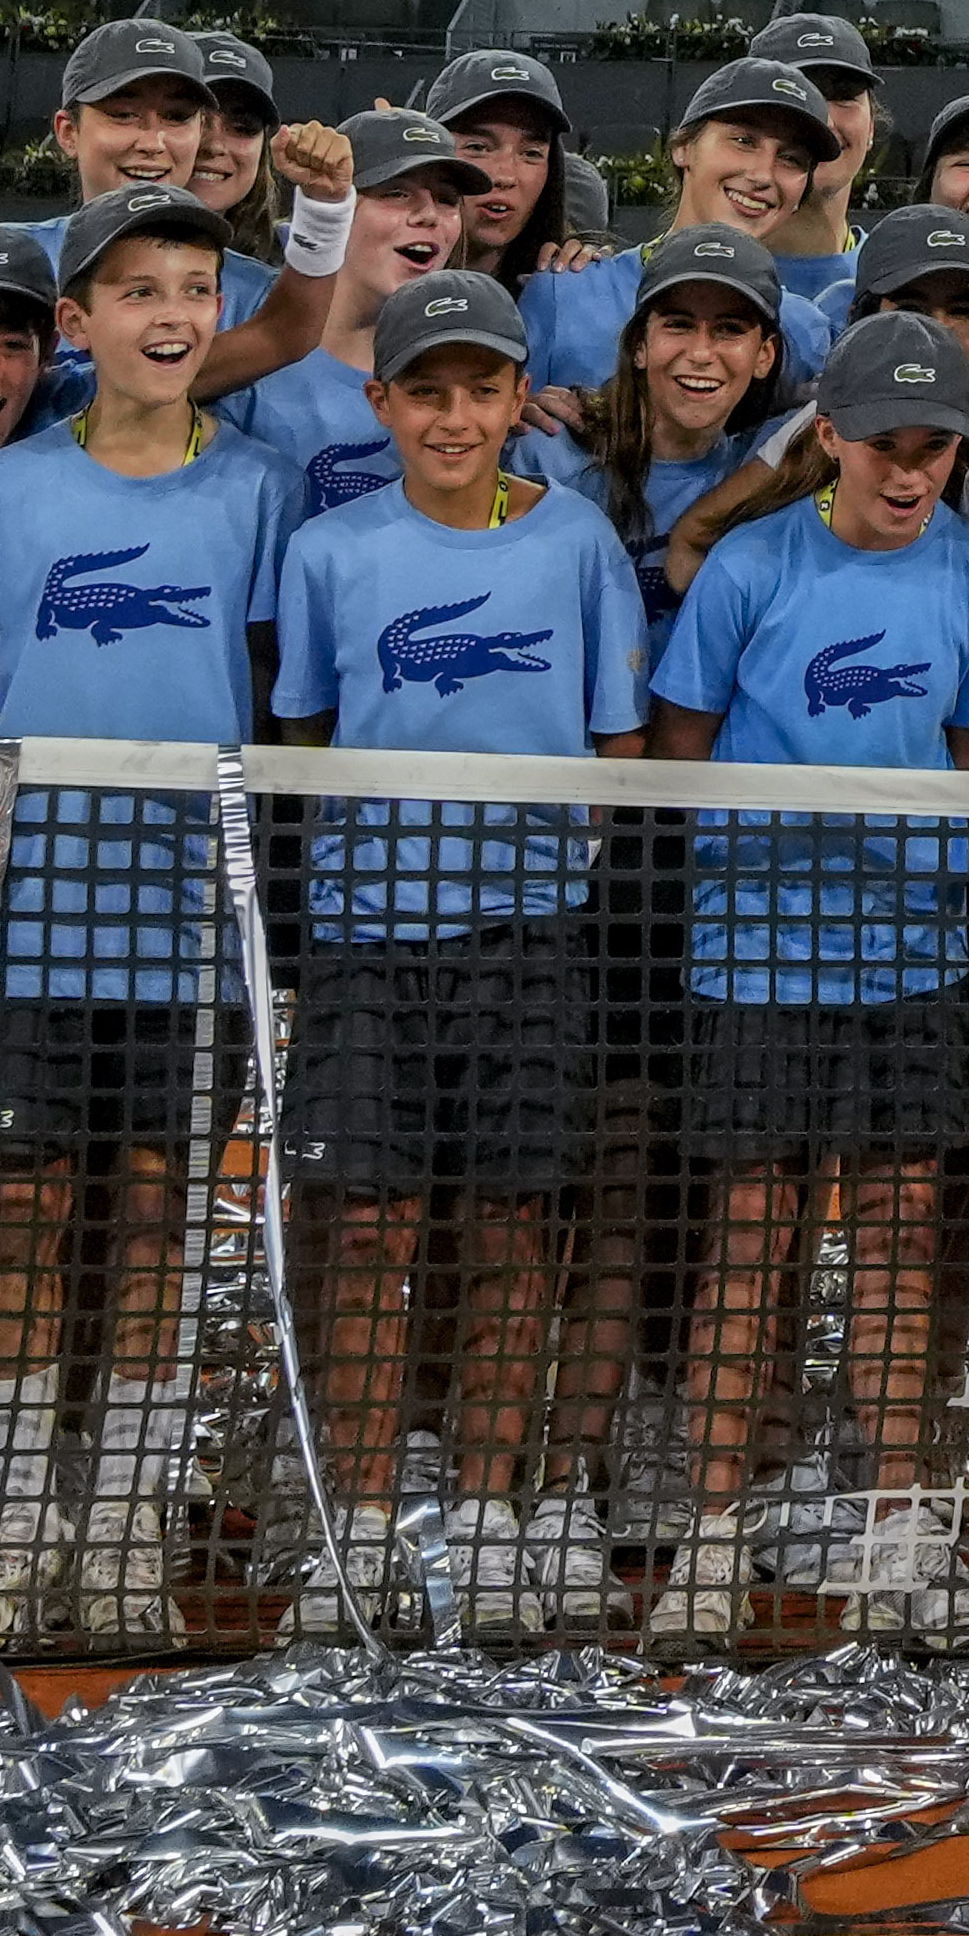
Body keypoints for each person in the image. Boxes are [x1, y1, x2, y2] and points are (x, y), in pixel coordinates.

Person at [264, 264, 653, 1633]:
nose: (450, 414)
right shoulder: (327, 551)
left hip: (530, 938)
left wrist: (554, 872)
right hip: (367, 942)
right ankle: (356, 1523)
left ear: (513, 402)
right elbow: (306, 740)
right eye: (424, 389)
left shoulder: (579, 542)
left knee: (513, 1222)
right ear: (379, 400)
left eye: (478, 388)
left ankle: (484, 1513)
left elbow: (618, 741)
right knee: (365, 1228)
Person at [640, 309, 969, 1646]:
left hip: (908, 963)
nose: (909, 468)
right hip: (752, 961)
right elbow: (680, 750)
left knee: (897, 1250)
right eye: (885, 444)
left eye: (934, 446)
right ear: (829, 439)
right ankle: (711, 1538)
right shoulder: (750, 566)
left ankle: (899, 1532)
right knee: (750, 1246)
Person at [0, 194, 292, 1626]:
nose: (167, 311)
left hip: (185, 926)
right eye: (135, 287)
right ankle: (13, 1512)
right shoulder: (7, 489)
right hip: (24, 921)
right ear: (73, 326)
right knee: (20, 1210)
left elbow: (269, 690)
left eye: (194, 286)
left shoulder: (258, 489)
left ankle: (128, 1514)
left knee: (155, 1212)